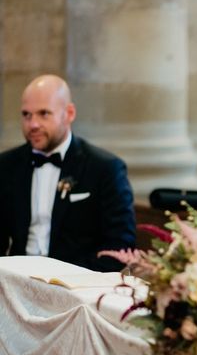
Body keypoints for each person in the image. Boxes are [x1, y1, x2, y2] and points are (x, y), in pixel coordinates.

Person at [0, 74, 136, 271]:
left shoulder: (105, 168)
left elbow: (119, 246)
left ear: (69, 113)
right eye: (26, 115)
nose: (33, 124)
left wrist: (64, 281)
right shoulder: (6, 165)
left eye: (44, 113)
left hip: (77, 285)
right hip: (17, 282)